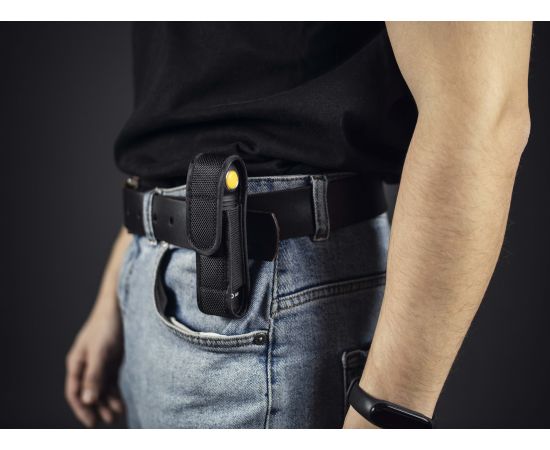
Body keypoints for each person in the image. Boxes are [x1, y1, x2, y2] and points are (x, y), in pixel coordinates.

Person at [65, 22, 532, 428]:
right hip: (161, 282)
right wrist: (123, 283)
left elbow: (480, 115)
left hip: (268, 303)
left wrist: (386, 415)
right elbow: (188, 108)